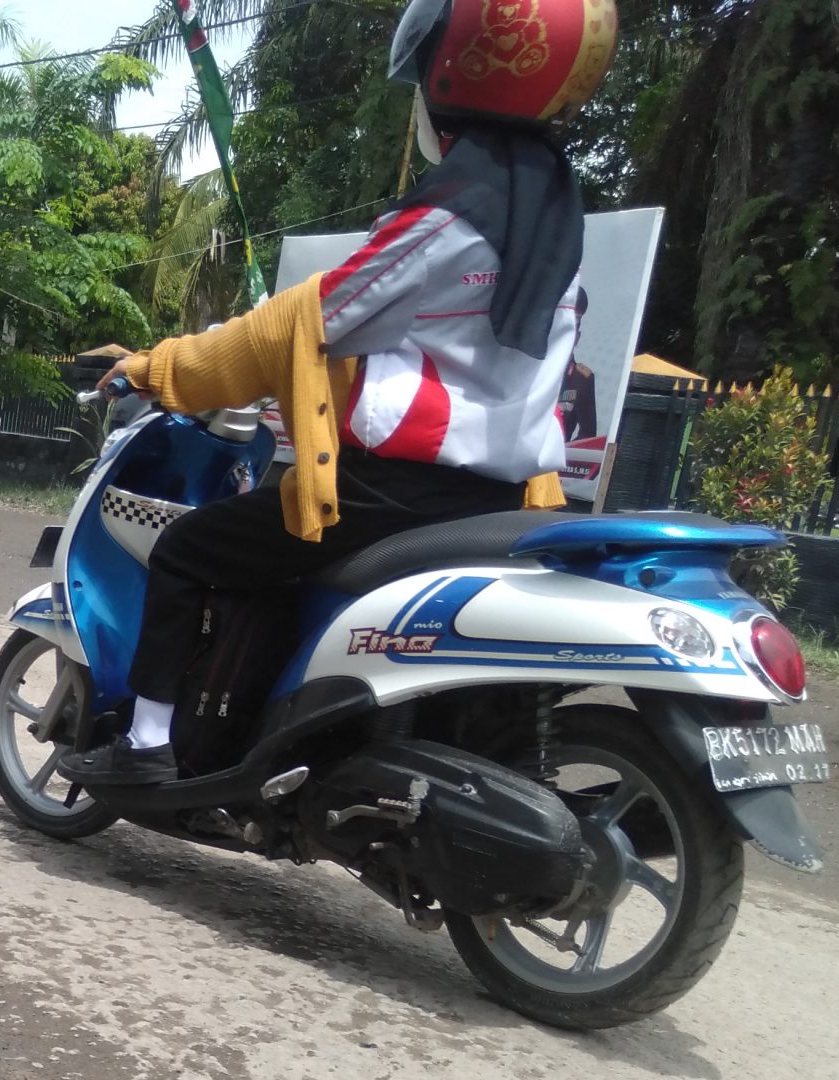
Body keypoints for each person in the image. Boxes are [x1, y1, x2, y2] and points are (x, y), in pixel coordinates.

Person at [61, 0, 613, 784]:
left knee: (187, 549)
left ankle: (146, 746)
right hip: (503, 499)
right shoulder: (554, 223)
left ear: (452, 70)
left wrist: (156, 369)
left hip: (392, 492)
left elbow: (301, 327)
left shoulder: (448, 215)